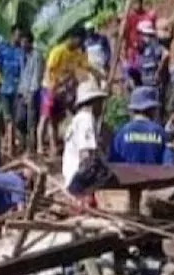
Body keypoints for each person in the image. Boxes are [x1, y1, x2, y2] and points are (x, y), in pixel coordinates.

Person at [40, 28, 90, 157]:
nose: (80, 44)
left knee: (56, 119)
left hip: (63, 89)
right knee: (46, 118)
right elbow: (48, 70)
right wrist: (52, 87)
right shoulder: (58, 51)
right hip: (50, 88)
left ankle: (54, 146)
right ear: (73, 38)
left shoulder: (77, 53)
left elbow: (86, 68)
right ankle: (41, 145)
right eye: (79, 40)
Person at [63, 81, 109, 192]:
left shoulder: (76, 120)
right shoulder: (86, 119)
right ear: (93, 103)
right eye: (100, 103)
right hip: (78, 179)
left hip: (71, 176)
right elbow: (86, 155)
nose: (101, 107)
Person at [111, 87, 172, 165]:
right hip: (155, 176)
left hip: (126, 177)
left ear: (132, 110)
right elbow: (168, 166)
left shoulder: (120, 133)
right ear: (153, 110)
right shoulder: (160, 133)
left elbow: (113, 165)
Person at [0, 25, 26, 153]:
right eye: (17, 35)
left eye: (20, 35)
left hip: (17, 90)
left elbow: (23, 70)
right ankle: (7, 148)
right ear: (12, 35)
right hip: (4, 89)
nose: (18, 38)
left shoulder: (21, 51)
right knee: (7, 119)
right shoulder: (2, 49)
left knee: (14, 119)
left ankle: (11, 147)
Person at [15, 28, 42, 154]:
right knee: (20, 119)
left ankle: (31, 147)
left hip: (32, 91)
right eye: (21, 42)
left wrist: (31, 93)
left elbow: (36, 76)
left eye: (25, 42)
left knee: (31, 121)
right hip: (21, 90)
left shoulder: (36, 56)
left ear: (30, 43)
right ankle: (22, 143)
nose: (22, 44)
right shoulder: (21, 55)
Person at [118, 0, 154, 70]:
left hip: (147, 47)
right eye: (135, 3)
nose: (137, 5)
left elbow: (152, 29)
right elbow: (124, 34)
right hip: (133, 49)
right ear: (132, 5)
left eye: (139, 2)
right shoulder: (130, 18)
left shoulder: (147, 16)